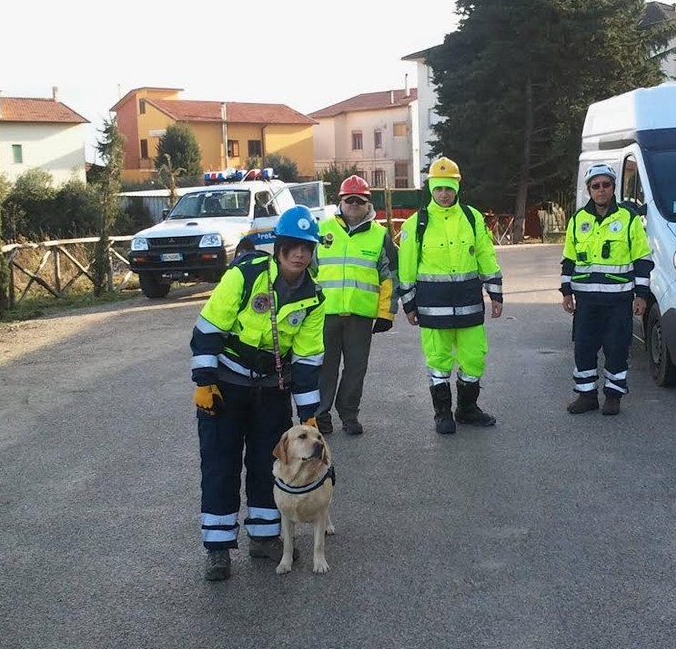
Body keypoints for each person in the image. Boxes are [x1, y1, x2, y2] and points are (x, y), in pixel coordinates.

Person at [190, 204, 325, 581]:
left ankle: (265, 538)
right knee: (221, 464)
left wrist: (309, 413)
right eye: (294, 245)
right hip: (226, 386)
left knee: (272, 465)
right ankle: (218, 549)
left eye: (307, 247)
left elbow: (309, 358)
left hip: (271, 391)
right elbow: (209, 327)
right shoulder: (245, 275)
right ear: (279, 247)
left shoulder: (313, 298)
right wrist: (204, 382)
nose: (300, 253)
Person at [397, 157, 503, 435]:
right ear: (430, 188)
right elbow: (405, 267)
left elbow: (485, 256)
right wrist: (408, 304)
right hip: (433, 307)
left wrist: (496, 293)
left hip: (469, 303)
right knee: (438, 361)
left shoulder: (472, 217)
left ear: (457, 188)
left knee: (474, 359)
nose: (444, 194)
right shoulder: (415, 224)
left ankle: (467, 410)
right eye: (438, 188)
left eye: (449, 188)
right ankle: (442, 414)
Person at [560, 164, 653, 416]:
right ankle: (587, 395)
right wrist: (566, 291)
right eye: (595, 185)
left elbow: (642, 259)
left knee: (616, 348)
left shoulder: (629, 218)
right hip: (586, 301)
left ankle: (613, 396)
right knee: (584, 348)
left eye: (606, 185)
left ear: (613, 187)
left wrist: (642, 295)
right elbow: (568, 259)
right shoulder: (578, 219)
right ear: (589, 189)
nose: (601, 190)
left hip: (618, 300)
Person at [314, 175, 398, 436]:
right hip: (324, 315)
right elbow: (308, 270)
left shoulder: (380, 235)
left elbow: (390, 277)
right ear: (339, 201)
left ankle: (349, 415)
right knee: (324, 367)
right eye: (347, 199)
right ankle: (320, 415)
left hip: (360, 317)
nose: (352, 204)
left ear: (368, 204)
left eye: (358, 200)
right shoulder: (322, 230)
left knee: (356, 368)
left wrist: (386, 313)